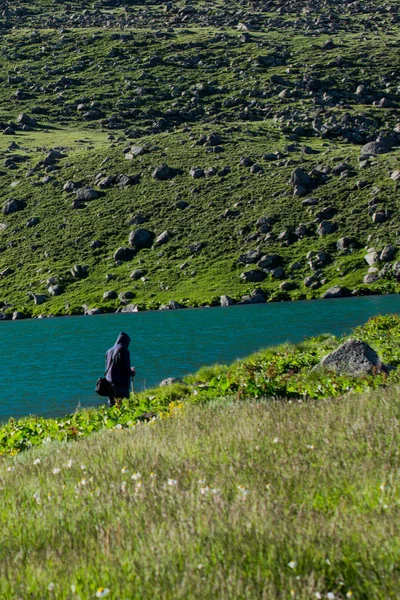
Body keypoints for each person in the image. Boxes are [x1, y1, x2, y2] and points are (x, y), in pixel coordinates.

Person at [105, 332, 136, 406]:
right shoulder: (123, 351)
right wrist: (132, 373)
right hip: (120, 385)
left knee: (112, 408)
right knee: (124, 406)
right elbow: (126, 369)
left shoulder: (109, 351)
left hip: (108, 383)